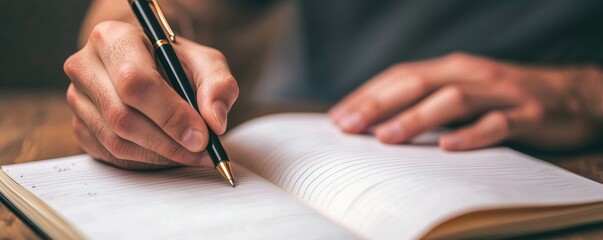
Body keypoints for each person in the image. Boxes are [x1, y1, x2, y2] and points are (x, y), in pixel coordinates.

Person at [64, 0, 603, 169]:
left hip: (567, 150)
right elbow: (165, 6)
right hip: (300, 131)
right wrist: (128, 56)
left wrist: (583, 92)